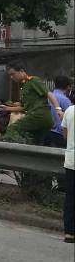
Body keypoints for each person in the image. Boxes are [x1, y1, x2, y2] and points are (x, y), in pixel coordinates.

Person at [2, 64, 56, 145]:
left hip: (39, 115)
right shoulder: (23, 87)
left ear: (21, 71)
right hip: (40, 118)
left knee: (12, 129)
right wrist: (6, 108)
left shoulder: (33, 80)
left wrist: (58, 109)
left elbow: (49, 94)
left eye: (13, 74)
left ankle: (9, 154)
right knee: (35, 143)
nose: (11, 77)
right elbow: (24, 107)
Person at [61, 102, 74, 243]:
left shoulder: (69, 110)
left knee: (70, 197)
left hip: (71, 160)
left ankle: (69, 232)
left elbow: (65, 134)